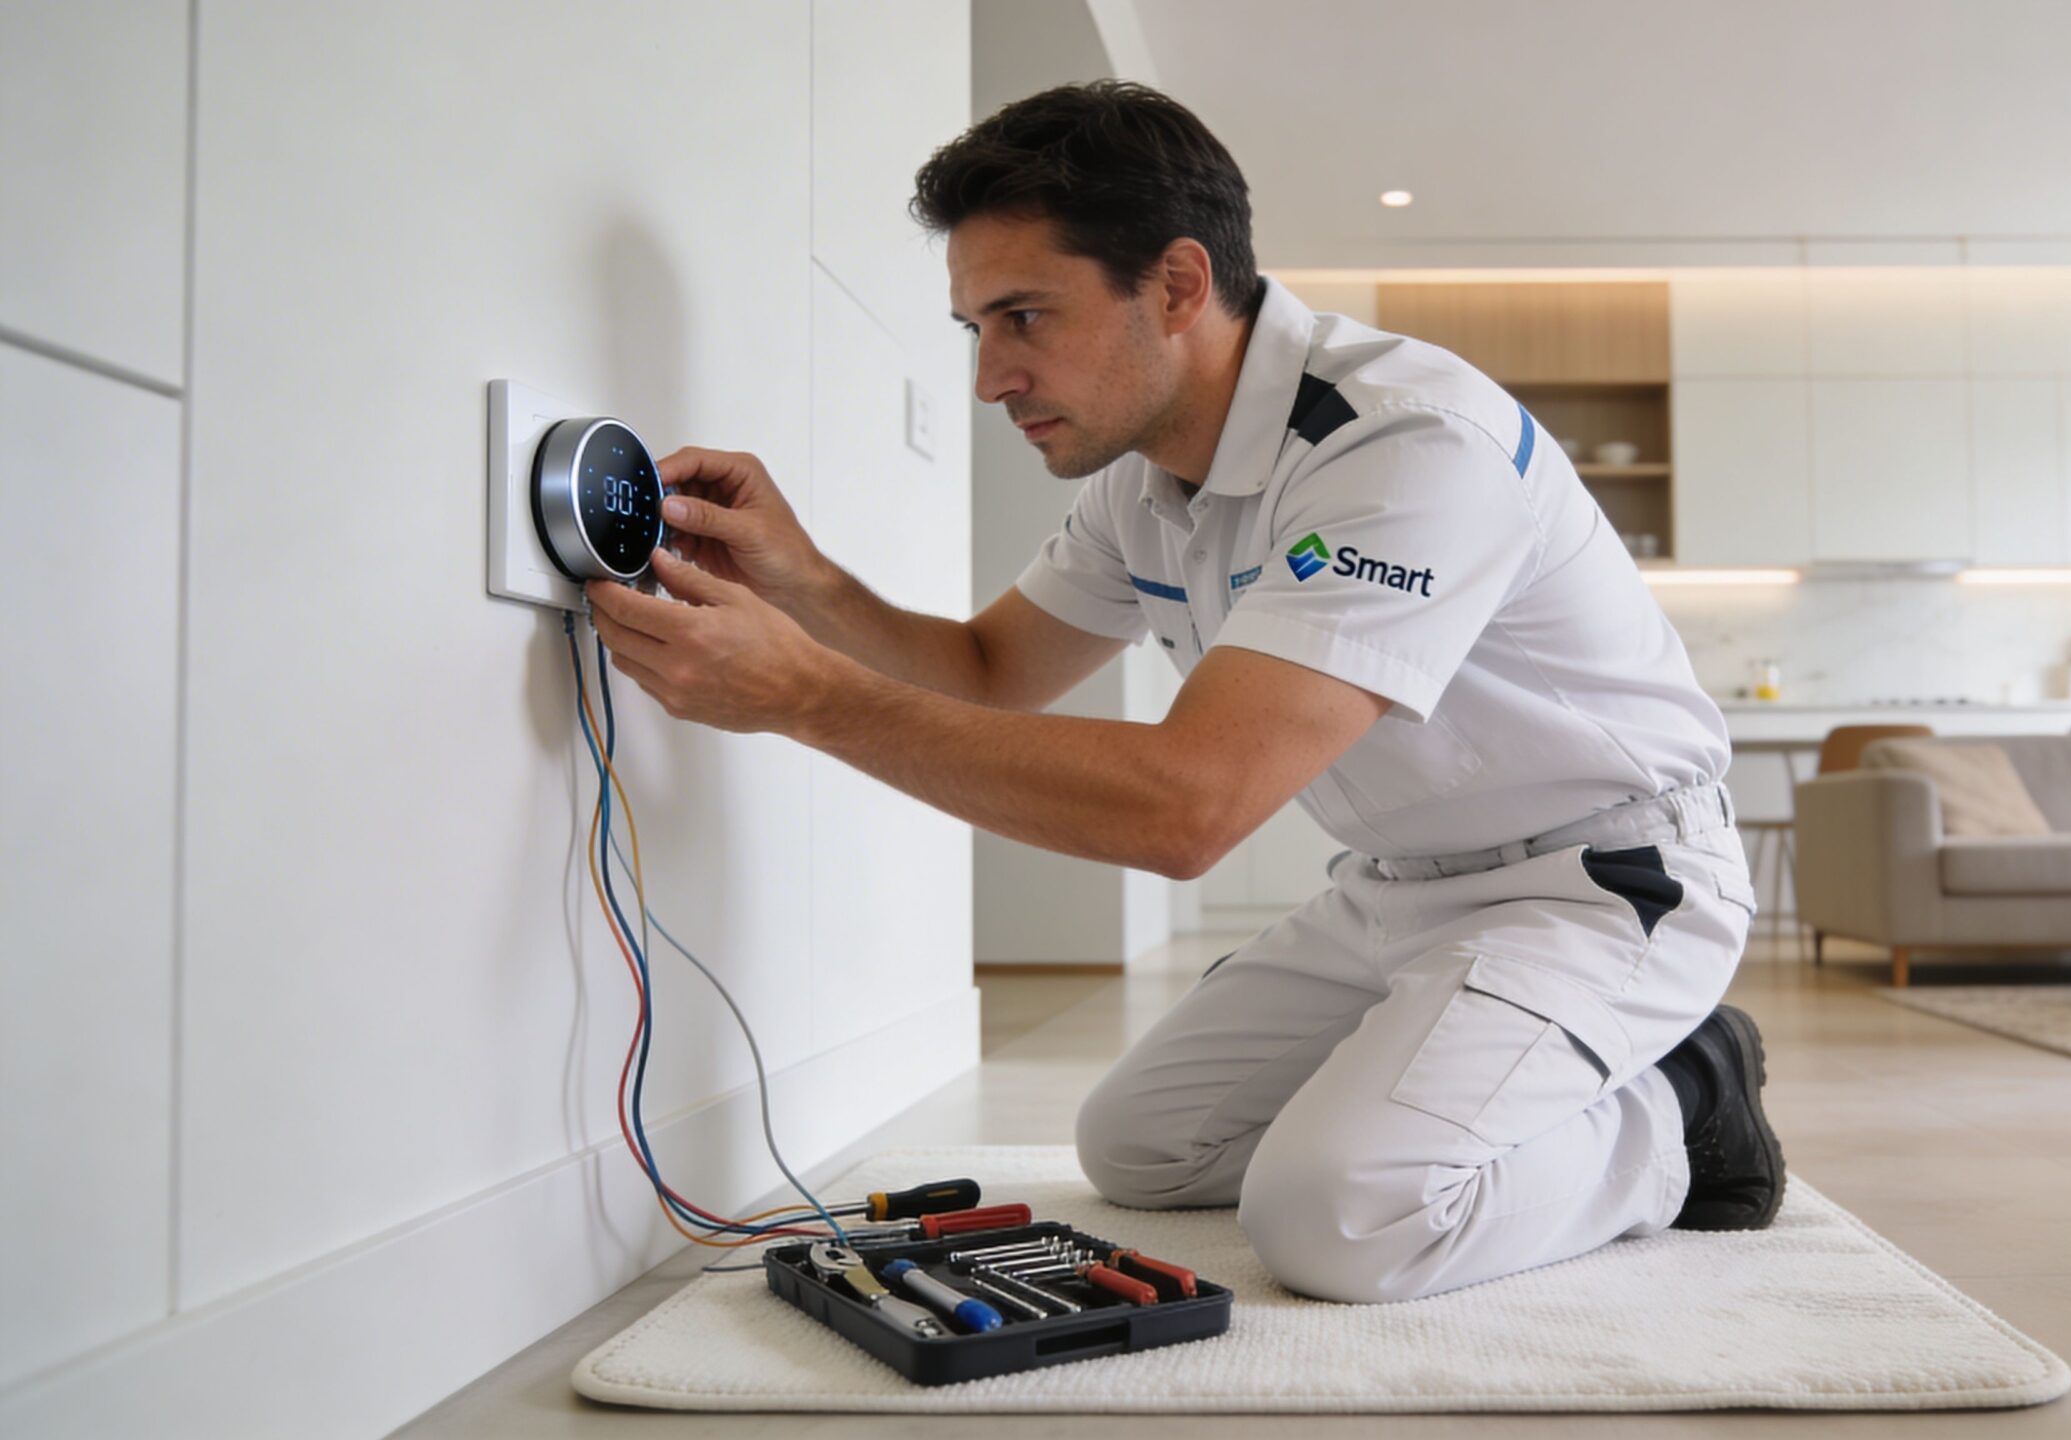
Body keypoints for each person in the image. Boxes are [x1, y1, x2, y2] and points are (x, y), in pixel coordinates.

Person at [581, 80, 1781, 1305]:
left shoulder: (1407, 446)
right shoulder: (1141, 481)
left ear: (1175, 285)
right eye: (974, 330)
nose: (992, 377)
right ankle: (1478, 1070)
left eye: (1024, 316)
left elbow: (1185, 811)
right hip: (1393, 891)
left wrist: (807, 698)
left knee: (1340, 1221)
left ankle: (1685, 1110)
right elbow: (992, 675)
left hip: (1597, 885)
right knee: (1143, 1150)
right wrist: (807, 583)